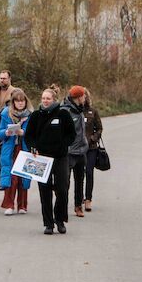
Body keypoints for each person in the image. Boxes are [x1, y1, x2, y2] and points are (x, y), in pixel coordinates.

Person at [25, 88, 75, 235]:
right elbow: (29, 136)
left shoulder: (63, 114)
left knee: (62, 189)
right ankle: (48, 223)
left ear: (54, 99)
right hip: (42, 158)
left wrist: (63, 144)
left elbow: (71, 134)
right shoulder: (36, 115)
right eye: (43, 98)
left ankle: (59, 220)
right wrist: (33, 147)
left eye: (48, 98)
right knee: (44, 190)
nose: (45, 101)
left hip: (60, 157)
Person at [0, 88, 33, 215]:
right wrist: (6, 133)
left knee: (23, 177)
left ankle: (22, 205)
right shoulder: (6, 113)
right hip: (10, 149)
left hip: (24, 148)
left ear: (25, 101)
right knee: (10, 177)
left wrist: (23, 133)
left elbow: (34, 134)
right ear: (13, 102)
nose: (20, 103)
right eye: (17, 101)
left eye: (22, 101)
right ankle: (9, 205)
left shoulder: (30, 115)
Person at [61, 85, 89, 218]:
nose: (85, 98)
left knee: (80, 180)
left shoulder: (80, 109)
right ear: (78, 97)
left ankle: (78, 206)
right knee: (65, 182)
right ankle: (62, 207)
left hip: (82, 151)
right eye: (83, 95)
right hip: (69, 152)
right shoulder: (65, 111)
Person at [82, 88, 103, 212]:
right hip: (77, 148)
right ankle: (79, 198)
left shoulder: (93, 111)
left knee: (89, 172)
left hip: (91, 148)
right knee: (79, 174)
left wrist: (93, 138)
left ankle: (88, 199)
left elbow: (99, 128)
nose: (82, 98)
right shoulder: (73, 112)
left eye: (84, 96)